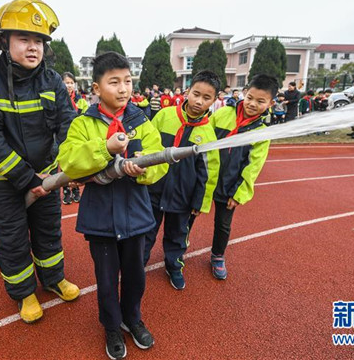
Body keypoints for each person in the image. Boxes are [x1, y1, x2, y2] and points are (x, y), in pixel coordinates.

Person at [0, 0, 80, 324]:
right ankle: (24, 293)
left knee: (49, 232)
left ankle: (53, 279)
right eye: (24, 39)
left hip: (45, 177)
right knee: (12, 239)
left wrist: (72, 163)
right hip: (2, 182)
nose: (33, 47)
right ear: (4, 42)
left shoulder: (52, 81)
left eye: (39, 41)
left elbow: (68, 125)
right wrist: (29, 180)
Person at [57, 52, 167, 359]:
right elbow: (69, 162)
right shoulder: (83, 124)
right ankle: (112, 326)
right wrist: (105, 148)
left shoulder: (142, 122)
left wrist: (144, 169)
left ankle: (132, 317)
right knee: (106, 279)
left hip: (135, 215)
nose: (123, 88)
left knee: (135, 275)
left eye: (128, 81)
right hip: (100, 218)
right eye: (114, 82)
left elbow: (159, 161)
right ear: (96, 87)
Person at [144, 70, 220, 290]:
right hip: (154, 190)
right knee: (145, 230)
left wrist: (200, 201)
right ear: (188, 91)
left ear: (214, 100)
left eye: (206, 97)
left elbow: (209, 171)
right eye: (196, 94)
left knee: (178, 234)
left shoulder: (208, 134)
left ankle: (174, 265)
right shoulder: (165, 116)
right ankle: (138, 262)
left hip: (183, 197)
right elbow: (148, 146)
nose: (199, 101)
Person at [208, 74, 278, 280]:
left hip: (229, 185)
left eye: (261, 101)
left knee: (223, 224)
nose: (253, 104)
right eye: (250, 98)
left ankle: (217, 255)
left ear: (271, 103)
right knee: (187, 215)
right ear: (244, 93)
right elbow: (203, 136)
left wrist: (239, 192)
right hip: (205, 178)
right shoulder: (223, 114)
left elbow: (253, 166)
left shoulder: (262, 133)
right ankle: (178, 251)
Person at [62, 71, 88, 205]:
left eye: (71, 83)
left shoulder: (81, 101)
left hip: (78, 135)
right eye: (66, 83)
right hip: (63, 135)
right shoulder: (59, 99)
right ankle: (66, 191)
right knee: (65, 164)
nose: (69, 85)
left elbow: (85, 117)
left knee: (77, 163)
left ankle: (76, 190)